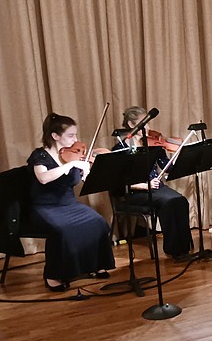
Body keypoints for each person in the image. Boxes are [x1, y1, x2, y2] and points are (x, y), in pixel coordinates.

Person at [27, 113, 115, 291]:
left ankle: (94, 265)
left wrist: (88, 173)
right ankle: (53, 275)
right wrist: (69, 166)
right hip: (45, 206)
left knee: (98, 222)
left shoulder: (74, 155)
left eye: (75, 134)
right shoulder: (40, 156)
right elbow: (43, 178)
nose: (76, 139)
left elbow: (85, 182)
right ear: (55, 136)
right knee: (62, 230)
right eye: (70, 135)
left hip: (69, 204)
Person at [114, 106, 192, 259]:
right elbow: (117, 182)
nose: (149, 128)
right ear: (131, 125)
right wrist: (143, 185)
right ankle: (174, 250)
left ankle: (184, 248)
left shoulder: (152, 145)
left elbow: (167, 168)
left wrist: (178, 157)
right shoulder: (120, 149)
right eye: (145, 123)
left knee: (181, 201)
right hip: (134, 192)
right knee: (169, 202)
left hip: (155, 188)